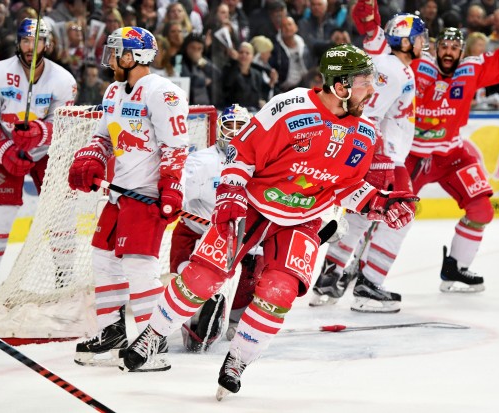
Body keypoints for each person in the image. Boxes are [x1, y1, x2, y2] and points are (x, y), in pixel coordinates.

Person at [120, 43, 418, 399]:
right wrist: (230, 192)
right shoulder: (289, 107)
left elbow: (347, 188)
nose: (372, 90)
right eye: (364, 82)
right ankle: (153, 334)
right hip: (254, 206)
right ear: (339, 86)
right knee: (202, 276)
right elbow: (242, 152)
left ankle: (237, 360)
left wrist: (379, 204)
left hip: (302, 219)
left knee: (279, 291)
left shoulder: (366, 134)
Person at [348, 4, 499, 298]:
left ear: (462, 50)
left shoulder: (471, 69)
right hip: (413, 154)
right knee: (388, 212)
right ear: (434, 48)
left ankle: (456, 267)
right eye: (443, 46)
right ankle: (360, 263)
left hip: (451, 153)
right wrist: (371, 29)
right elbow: (385, 54)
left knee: (482, 209)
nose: (448, 51)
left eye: (454, 47)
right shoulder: (419, 65)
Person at [68, 26, 190, 370]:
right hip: (119, 194)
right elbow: (103, 137)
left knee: (139, 266)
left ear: (134, 56)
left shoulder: (164, 93)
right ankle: (112, 334)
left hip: (147, 195)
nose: (109, 58)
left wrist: (171, 185)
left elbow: (175, 146)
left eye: (115, 51)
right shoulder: (112, 91)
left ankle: (154, 341)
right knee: (102, 259)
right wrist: (89, 158)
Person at [311, 10, 429, 311]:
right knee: (401, 213)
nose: (423, 43)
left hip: (378, 152)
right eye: (418, 38)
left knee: (360, 215)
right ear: (405, 41)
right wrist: (378, 158)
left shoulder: (393, 67)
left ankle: (329, 276)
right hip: (383, 154)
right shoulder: (394, 70)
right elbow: (368, 112)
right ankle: (369, 284)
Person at [0, 18, 76, 297]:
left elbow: (64, 124)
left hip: (47, 153)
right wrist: (4, 149)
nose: (31, 47)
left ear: (48, 44)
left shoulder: (64, 80)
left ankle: (64, 271)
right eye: (26, 40)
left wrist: (41, 133)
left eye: (38, 40)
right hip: (4, 147)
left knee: (61, 212)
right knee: (1, 212)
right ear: (18, 42)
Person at [169, 104, 262, 352]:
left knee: (259, 271)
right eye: (228, 126)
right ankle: (197, 318)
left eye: (239, 127)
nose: (233, 133)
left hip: (237, 240)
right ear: (219, 129)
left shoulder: (259, 164)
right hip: (194, 237)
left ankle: (233, 317)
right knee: (193, 287)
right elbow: (179, 188)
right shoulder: (202, 161)